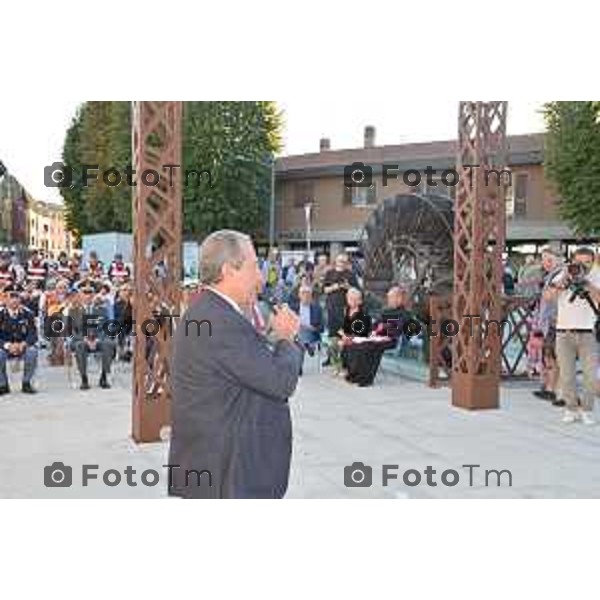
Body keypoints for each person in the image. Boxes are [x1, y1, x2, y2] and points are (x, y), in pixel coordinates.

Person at [168, 229, 304, 499]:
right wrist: (286, 339)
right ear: (230, 270)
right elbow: (280, 382)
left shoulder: (208, 312)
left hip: (212, 464)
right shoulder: (221, 321)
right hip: (227, 474)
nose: (260, 277)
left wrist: (269, 339)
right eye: (254, 267)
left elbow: (239, 367)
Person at [543, 247, 600, 424]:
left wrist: (587, 284)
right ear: (572, 261)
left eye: (587, 263)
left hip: (588, 333)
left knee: (590, 377)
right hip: (563, 332)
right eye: (578, 262)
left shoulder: (597, 277)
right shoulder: (562, 275)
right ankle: (571, 409)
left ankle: (587, 409)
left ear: (593, 262)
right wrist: (563, 282)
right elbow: (547, 297)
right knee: (567, 376)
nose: (582, 266)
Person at [67, 283, 116, 390]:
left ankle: (103, 376)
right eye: (85, 293)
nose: (88, 295)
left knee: (109, 344)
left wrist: (98, 339)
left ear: (94, 295)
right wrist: (84, 339)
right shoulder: (73, 311)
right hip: (81, 339)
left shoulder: (101, 310)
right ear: (80, 295)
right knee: (80, 346)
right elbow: (72, 331)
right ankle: (84, 378)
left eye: (90, 293)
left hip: (99, 339)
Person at [322, 254, 359, 365]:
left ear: (347, 263)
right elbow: (324, 289)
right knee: (332, 334)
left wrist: (348, 287)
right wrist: (335, 287)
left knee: (344, 333)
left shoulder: (351, 275)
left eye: (344, 261)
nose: (342, 263)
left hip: (344, 307)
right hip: (331, 307)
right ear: (336, 261)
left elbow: (357, 290)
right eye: (340, 261)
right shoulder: (330, 273)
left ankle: (343, 358)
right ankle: (331, 357)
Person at [0, 288, 38, 394]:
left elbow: (33, 334)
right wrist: (8, 345)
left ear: (20, 300)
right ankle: (2, 385)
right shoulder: (1, 314)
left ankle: (26, 383)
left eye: (16, 298)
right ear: (5, 300)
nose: (14, 301)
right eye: (11, 298)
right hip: (5, 347)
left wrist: (24, 344)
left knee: (32, 352)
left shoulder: (28, 314)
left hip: (23, 345)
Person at [289, 284, 324, 355]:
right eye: (303, 294)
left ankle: (308, 347)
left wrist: (313, 328)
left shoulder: (317, 308)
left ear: (311, 296)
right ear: (299, 295)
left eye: (308, 294)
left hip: (312, 336)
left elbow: (322, 327)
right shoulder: (293, 308)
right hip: (296, 337)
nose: (306, 296)